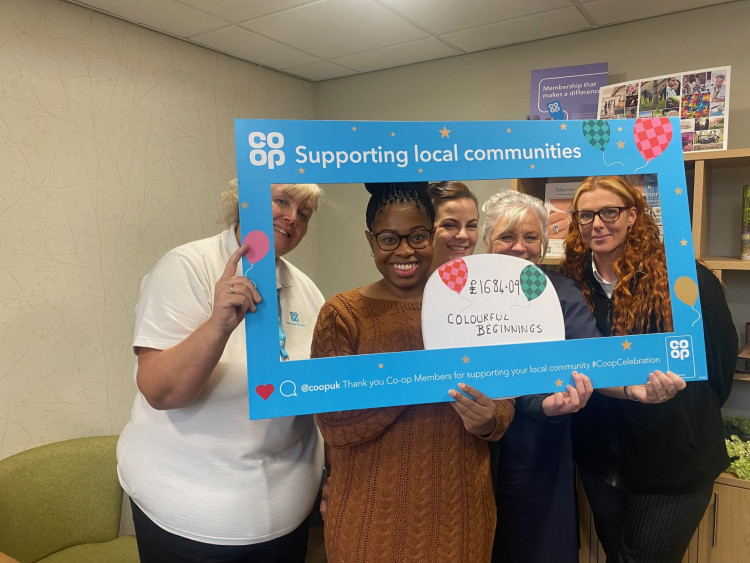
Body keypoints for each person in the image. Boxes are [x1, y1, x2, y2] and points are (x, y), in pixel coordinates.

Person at [117, 181, 326, 562]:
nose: (292, 217)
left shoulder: (308, 291)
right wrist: (218, 325)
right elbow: (161, 392)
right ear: (243, 201)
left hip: (287, 520)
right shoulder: (188, 267)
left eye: (305, 213)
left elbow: (314, 394)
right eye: (281, 201)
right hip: (188, 520)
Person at [312, 182, 515, 562]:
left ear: (432, 234)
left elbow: (503, 404)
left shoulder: (473, 305)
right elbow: (334, 422)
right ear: (371, 241)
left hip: (462, 516)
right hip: (370, 519)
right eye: (388, 238)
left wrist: (489, 418)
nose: (404, 250)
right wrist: (417, 377)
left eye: (418, 236)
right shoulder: (342, 315)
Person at [559, 175, 737, 563]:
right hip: (600, 458)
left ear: (633, 215)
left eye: (609, 212)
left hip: (672, 463)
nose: (597, 223)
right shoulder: (570, 282)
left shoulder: (685, 277)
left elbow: (719, 366)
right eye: (585, 215)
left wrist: (680, 405)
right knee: (617, 554)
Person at [480, 190, 596, 563]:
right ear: (487, 241)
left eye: (530, 237)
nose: (519, 247)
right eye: (506, 237)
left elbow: (591, 357)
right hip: (471, 446)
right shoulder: (467, 293)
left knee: (539, 547)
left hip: (540, 446)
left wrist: (634, 385)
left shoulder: (562, 293)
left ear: (545, 243)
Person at [427, 180, 479, 266]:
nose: (463, 235)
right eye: (450, 225)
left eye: (471, 226)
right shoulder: (406, 278)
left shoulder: (484, 278)